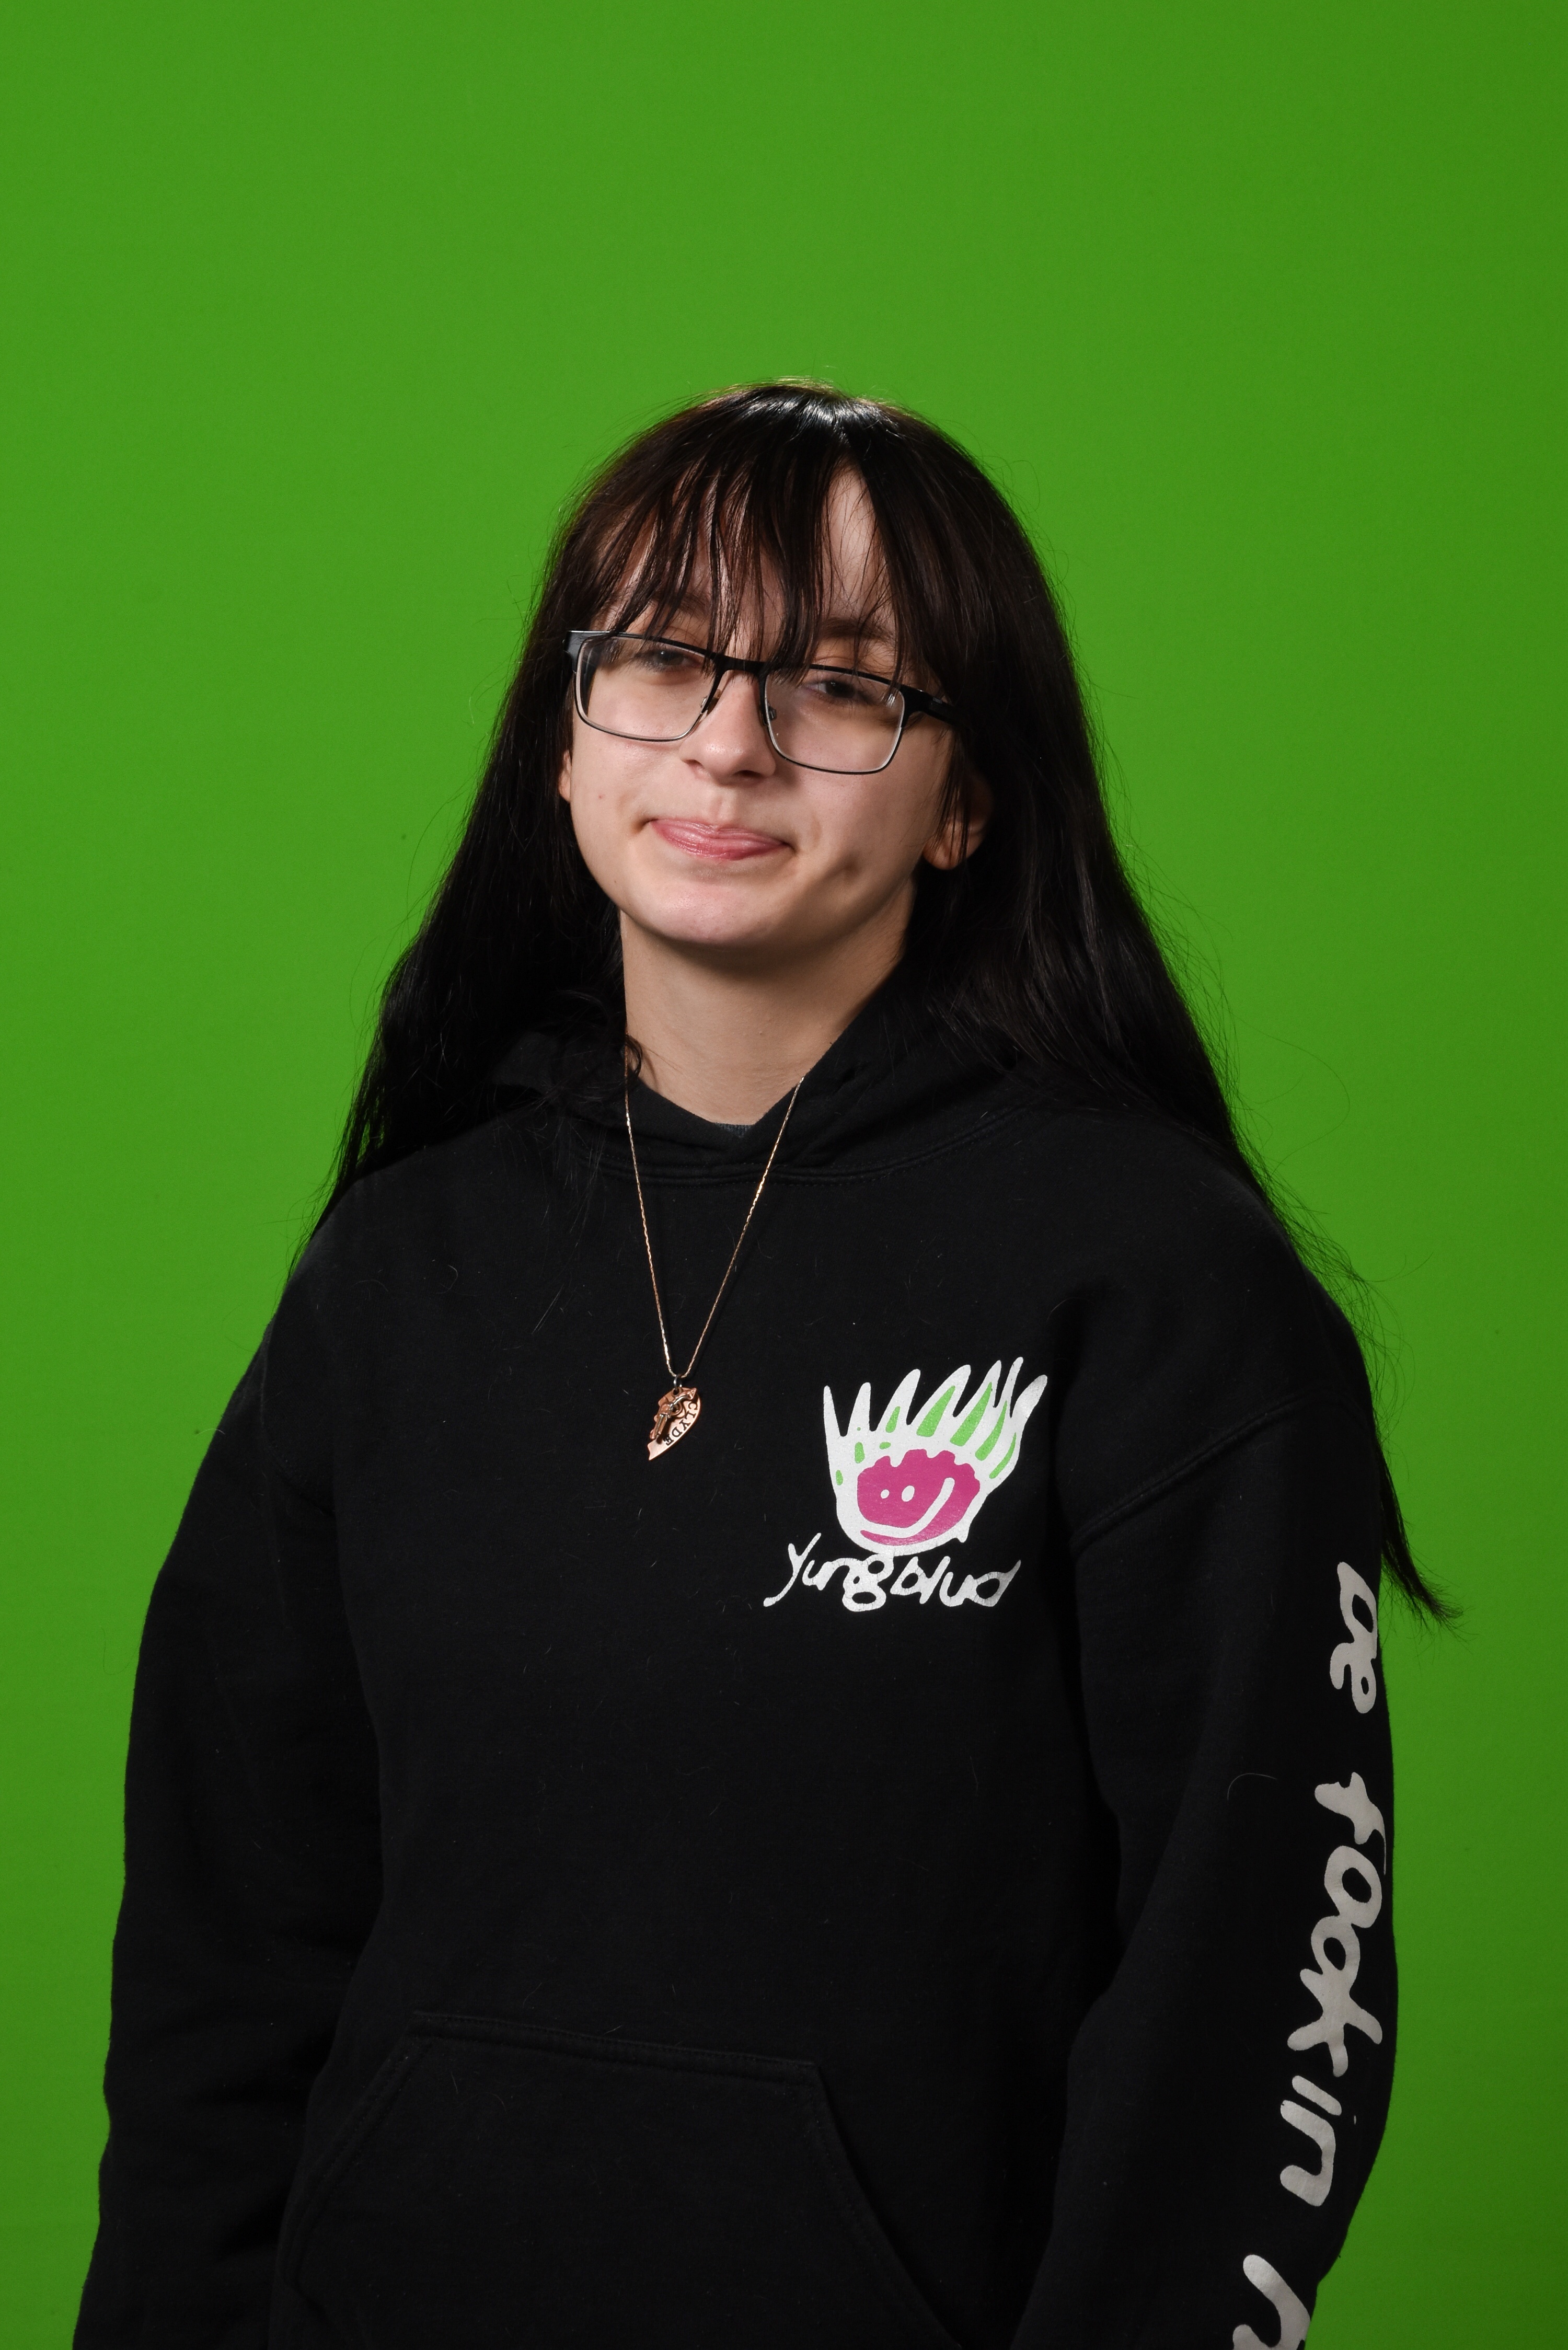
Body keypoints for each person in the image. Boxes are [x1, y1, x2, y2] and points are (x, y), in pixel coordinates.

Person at [76, 382, 1440, 2350]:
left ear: (964, 799)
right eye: (661, 660)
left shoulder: (1157, 1288)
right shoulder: (395, 1275)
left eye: (840, 685)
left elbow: (1260, 1996)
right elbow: (228, 1948)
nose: (729, 742)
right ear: (566, 738)